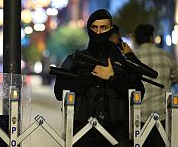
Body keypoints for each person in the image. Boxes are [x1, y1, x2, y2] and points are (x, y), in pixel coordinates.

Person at [54, 9, 145, 147]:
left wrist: (112, 78)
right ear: (89, 29)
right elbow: (59, 91)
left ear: (110, 29)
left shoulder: (122, 62)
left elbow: (139, 92)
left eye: (103, 27)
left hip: (117, 136)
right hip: (82, 134)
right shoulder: (76, 59)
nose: (98, 32)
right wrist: (92, 77)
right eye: (94, 27)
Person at [133, 24, 178, 147]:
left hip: (139, 117)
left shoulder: (134, 58)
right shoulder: (166, 55)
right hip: (162, 116)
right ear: (152, 37)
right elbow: (176, 77)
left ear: (136, 40)